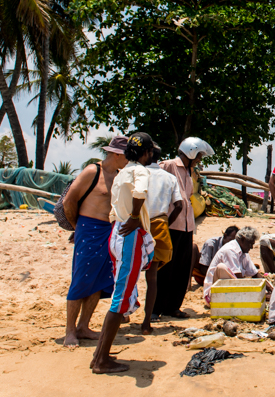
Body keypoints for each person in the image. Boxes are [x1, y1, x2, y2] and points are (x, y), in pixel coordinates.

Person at [91, 133, 157, 374]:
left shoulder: (121, 174)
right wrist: (134, 217)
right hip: (129, 235)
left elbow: (114, 206)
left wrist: (124, 220)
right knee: (121, 296)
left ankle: (99, 354)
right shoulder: (139, 171)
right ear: (146, 152)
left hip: (117, 233)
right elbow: (140, 193)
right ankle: (102, 360)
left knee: (121, 291)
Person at [62, 135, 128, 348]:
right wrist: (77, 226)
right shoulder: (93, 171)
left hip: (108, 231)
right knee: (81, 279)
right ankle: (69, 331)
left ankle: (83, 326)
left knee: (99, 280)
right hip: (88, 228)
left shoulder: (120, 176)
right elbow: (69, 200)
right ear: (117, 154)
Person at [153, 137, 210, 319]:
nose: (200, 159)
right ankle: (156, 308)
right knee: (165, 267)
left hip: (186, 226)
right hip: (171, 224)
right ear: (191, 152)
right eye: (199, 155)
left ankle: (173, 307)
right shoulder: (168, 165)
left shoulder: (189, 171)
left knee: (182, 268)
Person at [140, 144, 184, 335]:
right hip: (159, 226)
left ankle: (123, 313)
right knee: (153, 277)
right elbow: (180, 205)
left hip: (137, 224)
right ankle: (147, 320)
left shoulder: (137, 174)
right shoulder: (170, 177)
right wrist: (166, 222)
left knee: (128, 275)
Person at [203, 226, 271, 303]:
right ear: (242, 239)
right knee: (221, 268)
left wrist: (271, 290)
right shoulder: (230, 250)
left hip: (228, 292)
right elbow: (238, 280)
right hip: (213, 294)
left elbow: (255, 274)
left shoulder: (244, 252)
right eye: (250, 244)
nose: (251, 247)